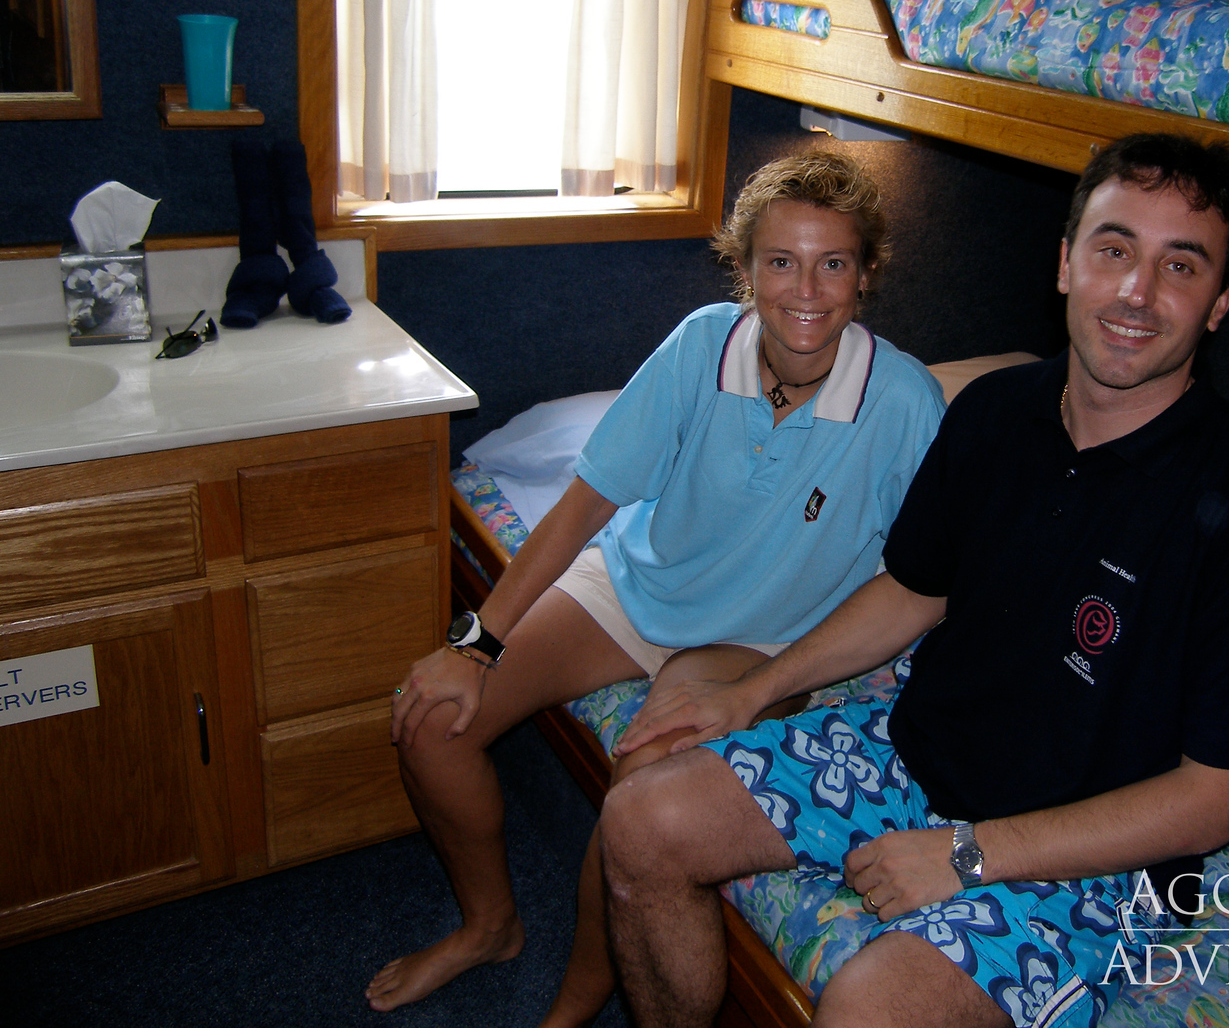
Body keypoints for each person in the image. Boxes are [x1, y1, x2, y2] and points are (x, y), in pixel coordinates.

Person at [601, 133, 1229, 1028]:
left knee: (869, 1007)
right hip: (914, 754)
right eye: (1114, 250)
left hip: (1093, 856)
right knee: (641, 822)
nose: (1137, 293)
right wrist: (753, 691)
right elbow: (917, 589)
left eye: (1179, 266)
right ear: (1067, 263)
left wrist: (971, 855)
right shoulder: (996, 412)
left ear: (1220, 302)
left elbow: (1217, 800)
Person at [366, 151, 947, 1020]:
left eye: (833, 263)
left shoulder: (905, 404)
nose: (806, 290)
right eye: (780, 262)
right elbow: (585, 500)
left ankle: (575, 994)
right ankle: (488, 926)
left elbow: (931, 575)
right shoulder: (699, 345)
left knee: (639, 785)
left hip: (757, 638)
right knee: (430, 719)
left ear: (866, 275)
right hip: (638, 587)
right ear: (745, 270)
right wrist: (475, 643)